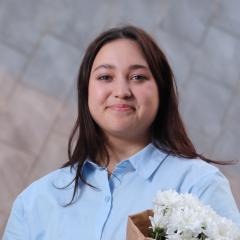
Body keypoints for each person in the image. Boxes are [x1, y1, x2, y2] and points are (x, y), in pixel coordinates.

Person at [3, 25, 240, 240]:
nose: (121, 91)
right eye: (105, 77)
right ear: (86, 90)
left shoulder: (200, 185)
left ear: (162, 90)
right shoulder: (34, 202)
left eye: (138, 77)